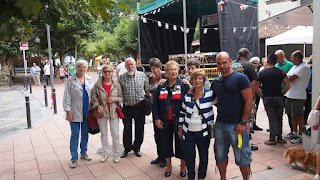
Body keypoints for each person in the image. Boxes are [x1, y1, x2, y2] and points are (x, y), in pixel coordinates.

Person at [211, 52, 253, 180]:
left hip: (238, 126)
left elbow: (249, 101)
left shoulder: (241, 78)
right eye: (219, 63)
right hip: (220, 125)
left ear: (230, 61)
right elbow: (208, 98)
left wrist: (243, 123)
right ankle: (222, 178)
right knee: (220, 155)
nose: (222, 65)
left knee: (243, 156)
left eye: (224, 62)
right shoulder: (216, 82)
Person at [152, 60, 190, 177]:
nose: (173, 72)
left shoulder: (183, 85)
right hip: (165, 121)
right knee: (166, 144)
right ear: (166, 71)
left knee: (181, 144)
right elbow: (156, 104)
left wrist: (189, 85)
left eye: (175, 69)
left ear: (178, 70)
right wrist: (157, 118)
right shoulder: (162, 85)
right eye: (170, 69)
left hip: (179, 121)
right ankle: (169, 165)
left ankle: (183, 166)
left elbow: (190, 102)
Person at [179, 69, 214, 180]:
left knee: (203, 156)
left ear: (204, 80)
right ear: (192, 80)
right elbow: (182, 112)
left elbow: (222, 103)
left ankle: (201, 177)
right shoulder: (187, 95)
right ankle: (191, 177)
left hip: (203, 132)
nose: (197, 81)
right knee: (189, 156)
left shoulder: (210, 94)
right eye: (195, 78)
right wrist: (180, 127)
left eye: (200, 78)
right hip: (188, 131)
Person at [63, 60, 94, 169]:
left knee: (85, 134)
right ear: (76, 68)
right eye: (80, 67)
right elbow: (66, 98)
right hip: (75, 112)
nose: (82, 69)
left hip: (87, 111)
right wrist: (68, 112)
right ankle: (74, 157)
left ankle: (83, 153)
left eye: (84, 67)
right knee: (75, 134)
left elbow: (93, 94)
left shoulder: (90, 79)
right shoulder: (70, 81)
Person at [256, 53, 290, 145]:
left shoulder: (262, 72)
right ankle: (279, 137)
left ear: (267, 61)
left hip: (267, 97)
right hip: (278, 97)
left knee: (271, 118)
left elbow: (256, 86)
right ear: (275, 61)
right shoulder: (281, 72)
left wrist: (261, 96)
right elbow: (288, 85)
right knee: (279, 117)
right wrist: (282, 93)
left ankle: (272, 138)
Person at [91, 65, 123, 163]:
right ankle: (105, 153)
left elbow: (122, 97)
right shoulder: (97, 85)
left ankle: (116, 154)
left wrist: (115, 99)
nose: (107, 73)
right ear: (102, 72)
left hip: (114, 112)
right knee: (104, 133)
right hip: (102, 113)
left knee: (115, 134)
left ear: (112, 72)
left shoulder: (117, 84)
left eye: (109, 71)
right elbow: (93, 98)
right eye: (105, 71)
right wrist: (97, 105)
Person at [119, 57, 149, 158]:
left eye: (132, 64)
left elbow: (147, 90)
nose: (130, 66)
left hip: (139, 106)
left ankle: (137, 147)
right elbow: (119, 92)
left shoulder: (142, 76)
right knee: (127, 128)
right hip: (127, 107)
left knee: (139, 128)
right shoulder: (122, 77)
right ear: (125, 66)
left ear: (135, 65)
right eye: (128, 65)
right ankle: (127, 148)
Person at [231, 48, 260, 151]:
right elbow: (253, 83)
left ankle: (235, 141)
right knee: (246, 119)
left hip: (233, 97)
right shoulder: (249, 65)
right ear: (247, 56)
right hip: (245, 96)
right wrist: (251, 97)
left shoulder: (232, 64)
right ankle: (245, 142)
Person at [285, 50, 311, 144]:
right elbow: (287, 76)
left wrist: (285, 77)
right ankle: (294, 132)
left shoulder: (304, 67)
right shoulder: (294, 67)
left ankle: (300, 134)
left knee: (298, 115)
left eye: (292, 57)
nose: (291, 59)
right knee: (291, 114)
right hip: (290, 94)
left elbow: (290, 78)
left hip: (298, 95)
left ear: (296, 58)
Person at [148, 58, 167, 167]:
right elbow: (148, 89)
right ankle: (160, 155)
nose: (155, 71)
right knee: (157, 134)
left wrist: (156, 87)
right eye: (153, 68)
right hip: (154, 108)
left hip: (164, 108)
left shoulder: (166, 76)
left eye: (157, 68)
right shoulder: (151, 77)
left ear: (160, 68)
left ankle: (165, 157)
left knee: (164, 134)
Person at [275, 49, 294, 139]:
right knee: (277, 113)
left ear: (282, 56)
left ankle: (292, 130)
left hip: (286, 92)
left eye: (277, 57)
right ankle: (276, 129)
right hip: (278, 93)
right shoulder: (276, 65)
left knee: (288, 112)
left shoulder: (289, 65)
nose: (276, 59)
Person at [249, 57, 263, 131]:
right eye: (252, 63)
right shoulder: (249, 71)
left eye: (255, 63)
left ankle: (254, 123)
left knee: (255, 108)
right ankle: (250, 125)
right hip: (250, 92)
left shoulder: (259, 71)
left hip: (256, 92)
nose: (254, 64)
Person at [304, 55, 312, 122]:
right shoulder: (309, 68)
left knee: (308, 108)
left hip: (309, 88)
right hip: (309, 89)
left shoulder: (309, 67)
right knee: (308, 108)